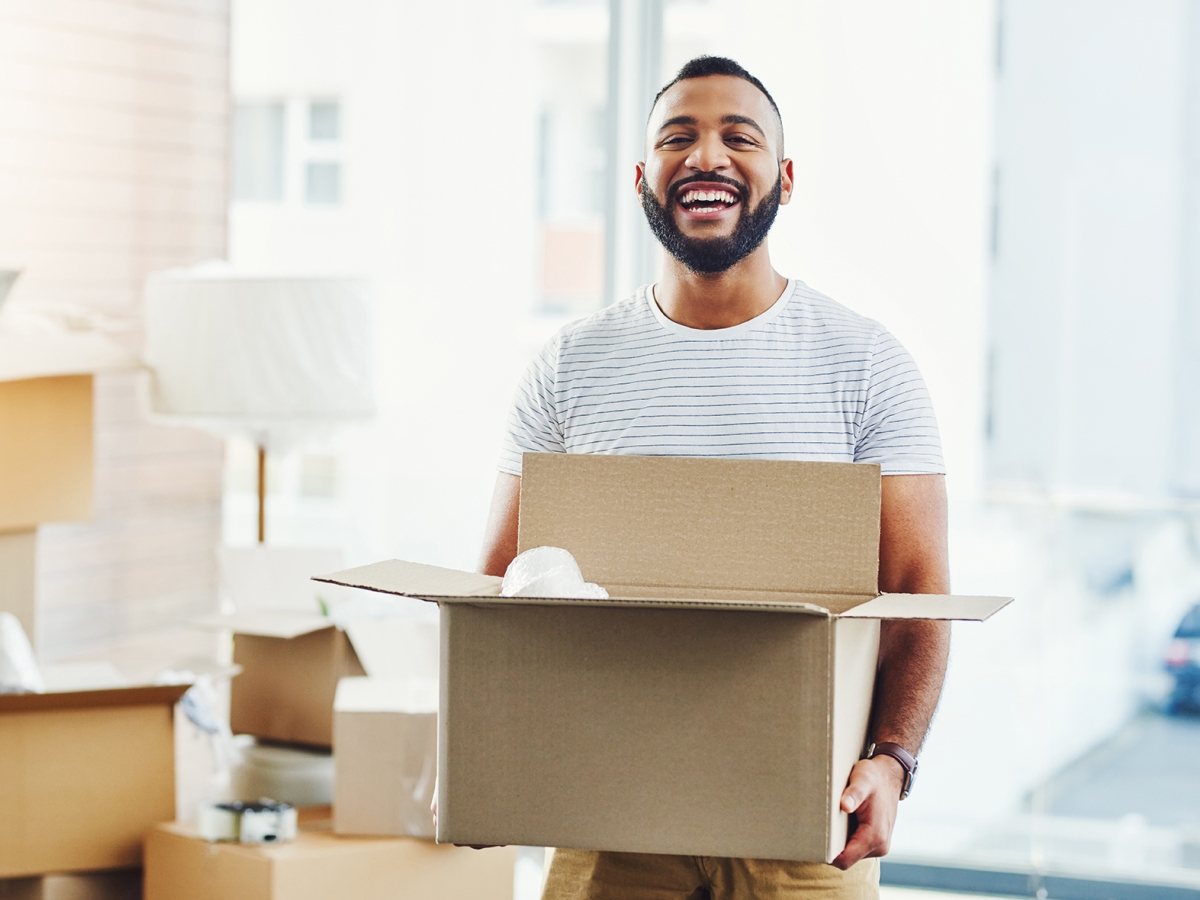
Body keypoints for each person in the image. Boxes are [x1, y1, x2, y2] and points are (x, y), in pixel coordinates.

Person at [479, 55, 951, 900]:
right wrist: (491, 757)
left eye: (740, 137)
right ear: (641, 177)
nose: (707, 157)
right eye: (677, 137)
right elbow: (499, 587)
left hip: (809, 824)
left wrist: (893, 762)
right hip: (606, 817)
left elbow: (918, 595)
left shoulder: (866, 365)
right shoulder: (568, 369)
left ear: (785, 177)